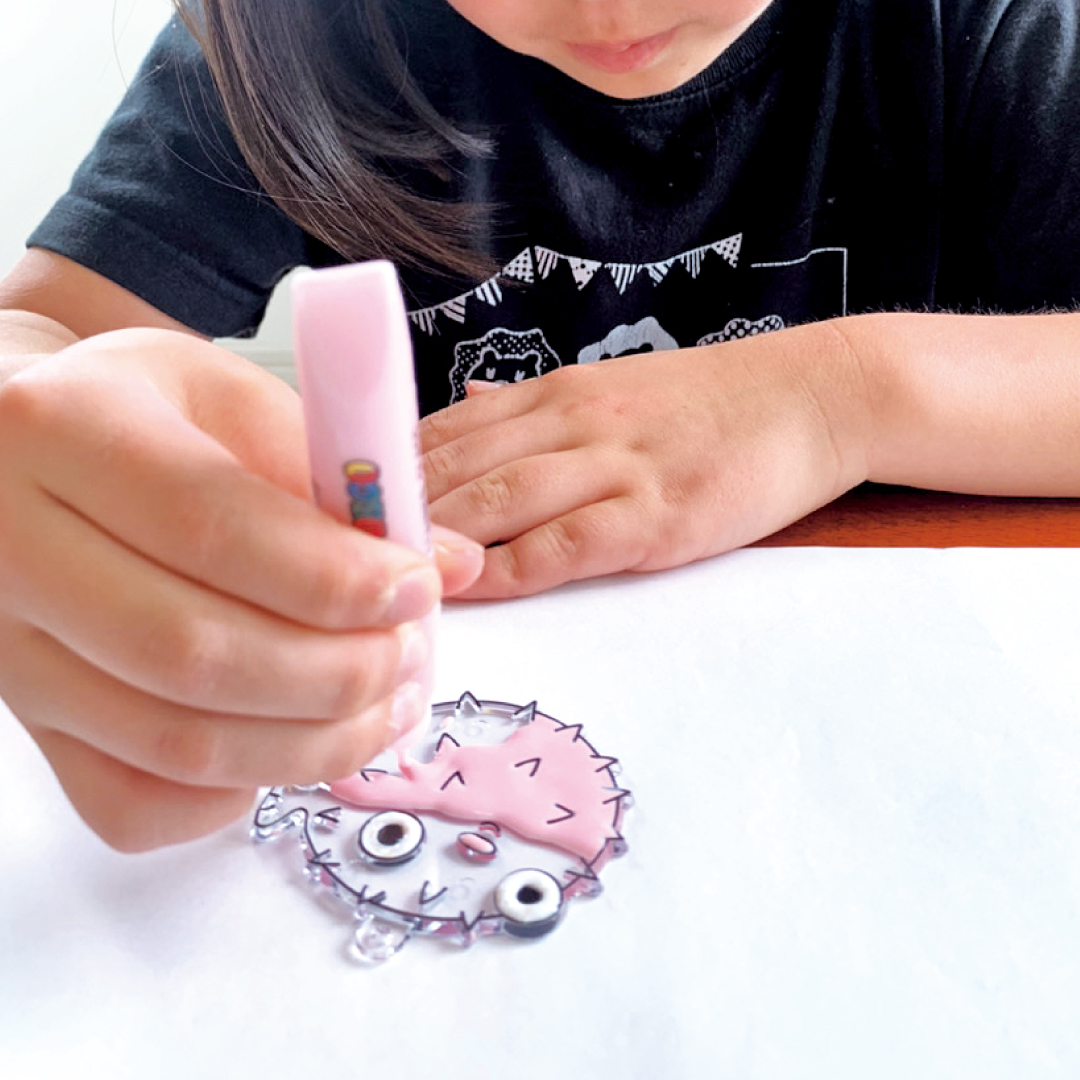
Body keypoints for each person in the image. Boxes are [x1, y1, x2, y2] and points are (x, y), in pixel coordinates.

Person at [3, 0, 1080, 851]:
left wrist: (842, 396)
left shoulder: (986, 26)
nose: (610, 7)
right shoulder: (296, 29)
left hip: (885, 758)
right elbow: (38, 336)